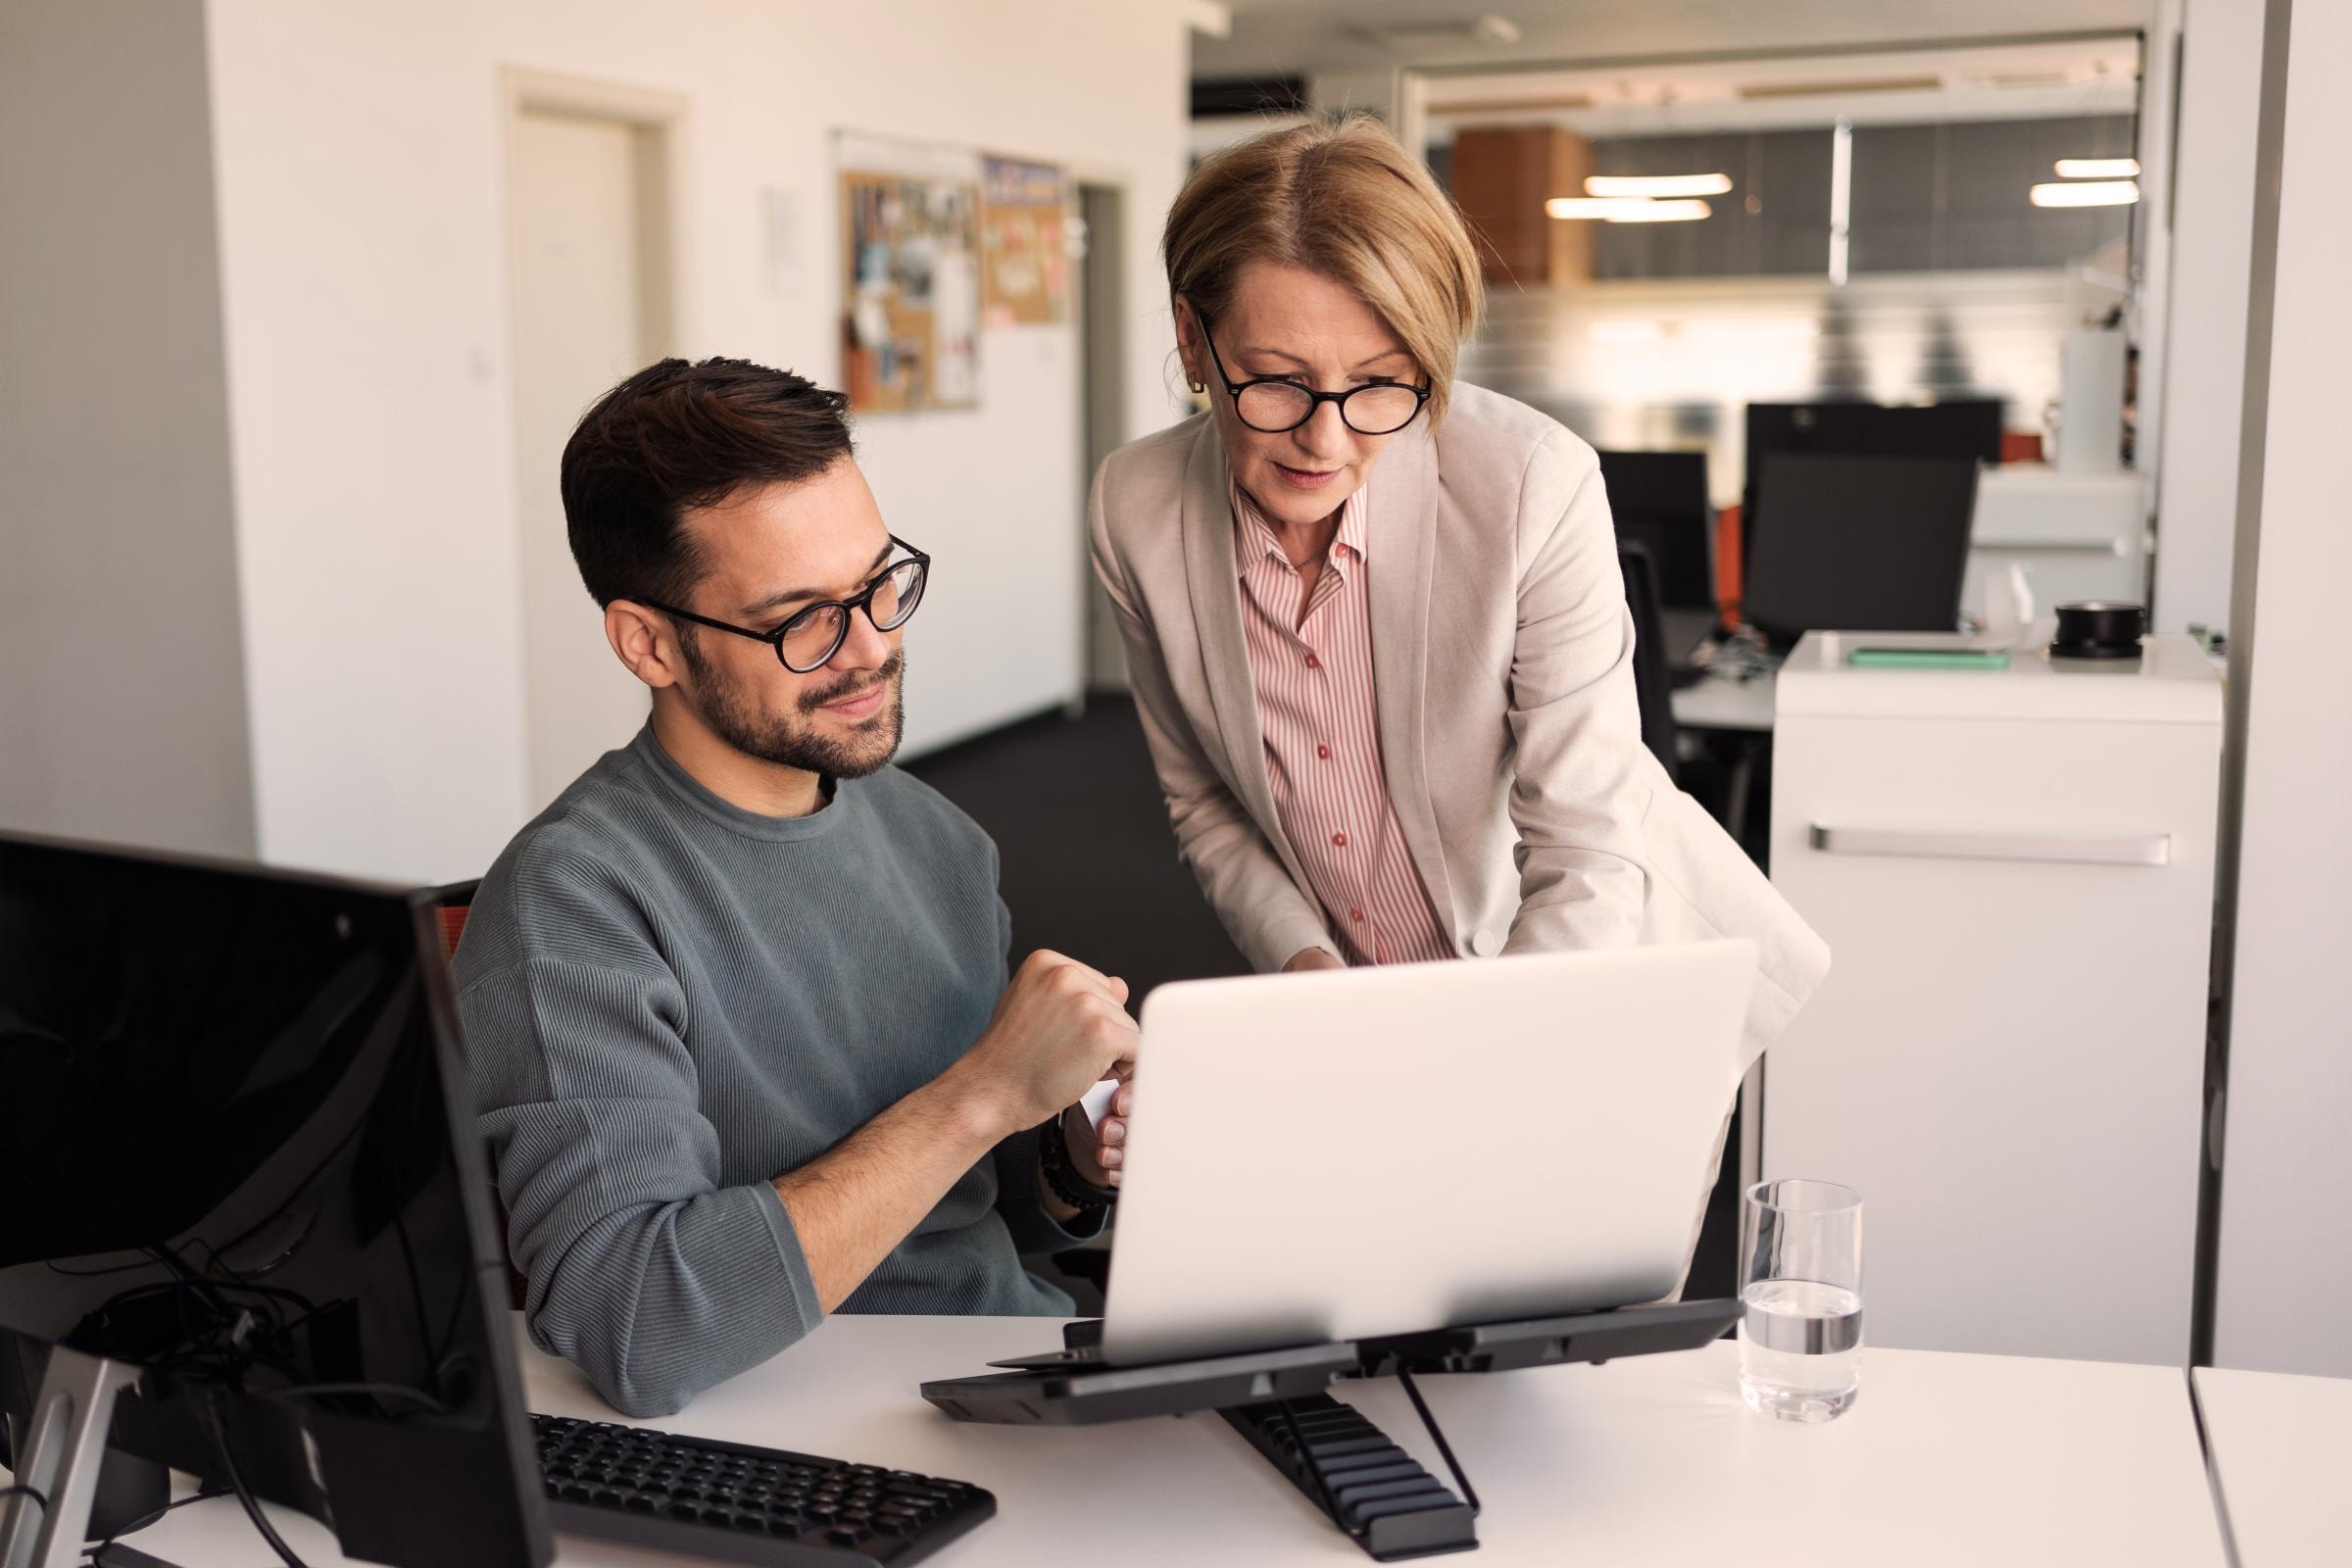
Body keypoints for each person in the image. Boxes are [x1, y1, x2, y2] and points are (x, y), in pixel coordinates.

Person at [456, 358, 1134, 1418]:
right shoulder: (572, 905)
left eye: (877, 584)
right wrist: (979, 1095)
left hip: (1010, 1374)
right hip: (798, 1423)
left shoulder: (937, 837)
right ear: (649, 642)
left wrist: (1078, 1150)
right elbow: (638, 1323)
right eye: (800, 619)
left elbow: (980, 1206)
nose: (871, 646)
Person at [1090, 115, 1829, 1060]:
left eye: (1382, 383)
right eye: (1275, 382)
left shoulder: (1532, 485)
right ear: (1194, 343)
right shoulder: (1134, 507)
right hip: (1355, 998)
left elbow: (1589, 844)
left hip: (1580, 971)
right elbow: (1205, 805)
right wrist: (1307, 965)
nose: (1328, 439)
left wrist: (1493, 1056)